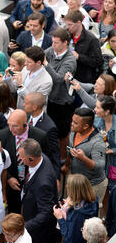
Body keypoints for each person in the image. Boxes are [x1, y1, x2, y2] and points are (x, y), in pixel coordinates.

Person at [18, 138, 60, 243]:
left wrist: (24, 227)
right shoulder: (42, 157)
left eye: (22, 157)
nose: (20, 159)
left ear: (31, 159)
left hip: (45, 233)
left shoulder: (43, 182)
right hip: (39, 225)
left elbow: (46, 213)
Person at [0, 109, 51, 214]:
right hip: (13, 183)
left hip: (32, 182)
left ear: (25, 124)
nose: (11, 129)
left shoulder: (40, 136)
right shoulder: (2, 134)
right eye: (9, 124)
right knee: (14, 212)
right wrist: (8, 178)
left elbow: (46, 159)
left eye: (15, 126)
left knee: (31, 212)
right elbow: (0, 161)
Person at [53, 174, 99, 243]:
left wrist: (60, 218)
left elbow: (69, 236)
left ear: (75, 192)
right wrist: (70, 205)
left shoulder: (78, 214)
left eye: (69, 186)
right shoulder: (93, 199)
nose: (66, 187)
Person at [62, 108, 107, 211]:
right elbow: (70, 149)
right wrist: (67, 165)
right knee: (73, 211)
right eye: (72, 120)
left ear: (86, 126)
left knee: (89, 215)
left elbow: (99, 167)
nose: (71, 124)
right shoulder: (74, 132)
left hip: (92, 185)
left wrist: (83, 158)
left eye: (75, 123)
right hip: (76, 182)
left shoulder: (97, 142)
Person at [44, 27, 77, 161]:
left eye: (56, 42)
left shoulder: (70, 60)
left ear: (65, 43)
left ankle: (63, 160)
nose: (53, 45)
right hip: (50, 99)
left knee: (62, 133)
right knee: (50, 129)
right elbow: (41, 54)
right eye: (52, 42)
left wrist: (46, 64)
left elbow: (58, 79)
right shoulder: (51, 51)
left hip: (63, 102)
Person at [23, 92, 60, 178]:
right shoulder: (26, 117)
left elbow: (54, 154)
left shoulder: (49, 128)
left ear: (34, 107)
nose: (23, 104)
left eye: (26, 103)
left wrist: (56, 177)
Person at [64, 10, 103, 85]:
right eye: (66, 25)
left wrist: (79, 57)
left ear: (79, 23)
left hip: (84, 80)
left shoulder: (91, 39)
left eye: (70, 25)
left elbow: (97, 61)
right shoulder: (66, 35)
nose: (67, 27)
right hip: (68, 77)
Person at [94, 96, 116, 194]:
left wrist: (112, 150)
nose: (95, 110)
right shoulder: (96, 122)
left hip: (113, 163)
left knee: (112, 191)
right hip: (100, 163)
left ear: (107, 111)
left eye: (98, 108)